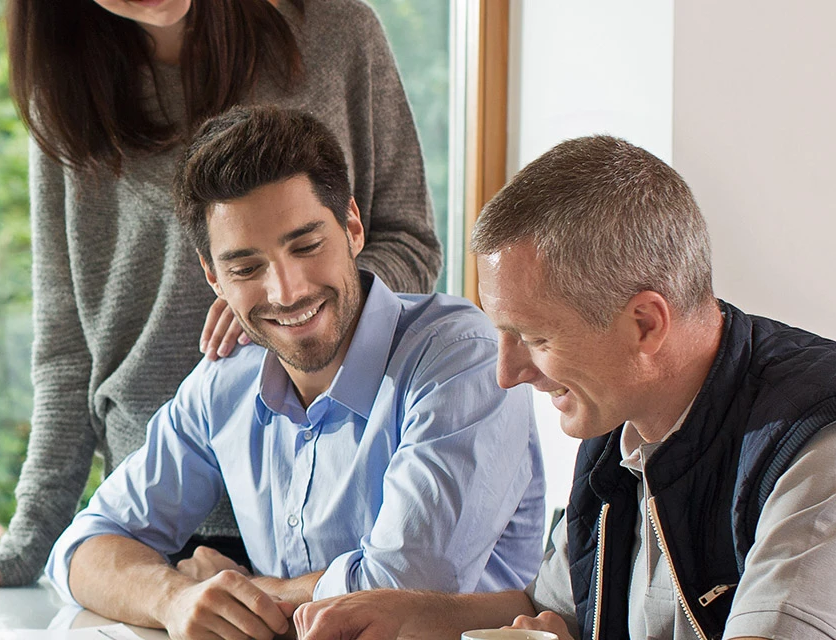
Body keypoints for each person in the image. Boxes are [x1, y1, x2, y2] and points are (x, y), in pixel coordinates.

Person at [293, 135, 836, 640]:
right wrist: (419, 614)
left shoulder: (829, 441)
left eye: (534, 338)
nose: (508, 373)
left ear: (646, 323)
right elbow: (560, 611)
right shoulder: (614, 427)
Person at [0, 0, 441, 586]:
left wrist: (283, 304)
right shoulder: (67, 94)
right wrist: (33, 536)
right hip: (156, 509)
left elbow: (410, 243)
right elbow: (68, 348)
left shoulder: (335, 30)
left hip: (336, 491)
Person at [45, 105, 543, 638]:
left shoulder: (459, 358)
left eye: (306, 246)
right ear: (213, 276)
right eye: (246, 268)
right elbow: (82, 549)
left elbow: (398, 592)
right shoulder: (224, 384)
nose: (287, 291)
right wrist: (173, 596)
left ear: (352, 226)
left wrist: (247, 589)